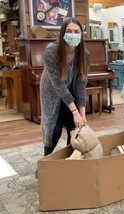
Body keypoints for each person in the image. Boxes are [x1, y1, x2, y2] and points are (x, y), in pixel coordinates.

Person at [40, 17, 90, 157]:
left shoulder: (84, 55)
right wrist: (75, 112)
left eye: (76, 31)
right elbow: (59, 85)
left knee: (74, 129)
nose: (73, 35)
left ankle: (69, 161)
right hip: (52, 93)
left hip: (72, 92)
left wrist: (82, 114)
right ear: (63, 33)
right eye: (69, 31)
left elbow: (81, 84)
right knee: (53, 131)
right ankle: (46, 161)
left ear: (81, 34)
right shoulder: (51, 52)